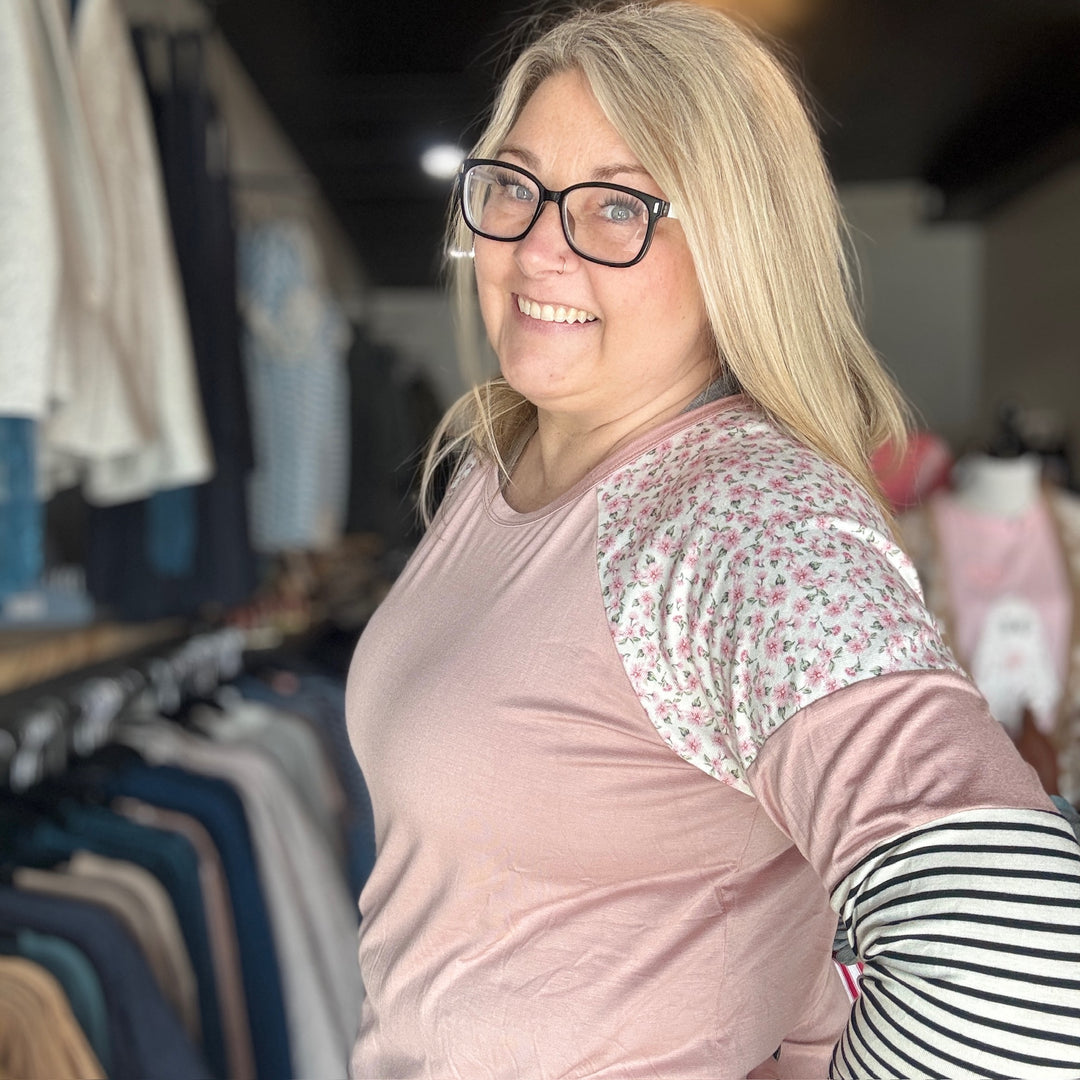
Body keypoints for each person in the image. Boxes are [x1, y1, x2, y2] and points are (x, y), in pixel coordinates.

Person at [344, 3, 1080, 1077]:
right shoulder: (492, 468)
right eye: (514, 185)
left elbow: (1023, 965)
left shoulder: (740, 522)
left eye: (618, 207)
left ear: (739, 245)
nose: (540, 246)